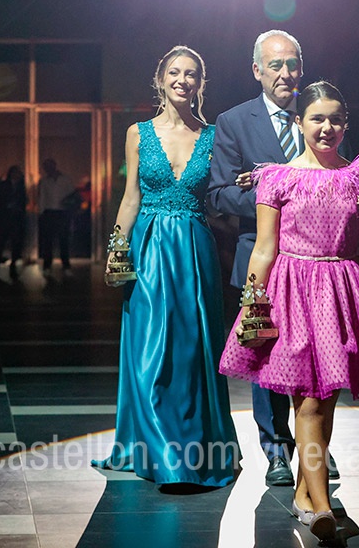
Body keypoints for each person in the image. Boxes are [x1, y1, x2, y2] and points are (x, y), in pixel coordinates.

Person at [219, 81, 359, 542]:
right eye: (317, 118)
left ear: (346, 124)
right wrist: (252, 304)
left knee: (327, 401)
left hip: (343, 293)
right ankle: (321, 506)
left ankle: (305, 493)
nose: (327, 127)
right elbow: (264, 248)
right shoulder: (277, 177)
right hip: (292, 293)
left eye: (335, 119)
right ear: (299, 122)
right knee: (308, 400)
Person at [92, 46, 238, 488]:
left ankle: (193, 447)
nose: (182, 80)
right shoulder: (138, 133)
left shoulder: (214, 136)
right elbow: (130, 198)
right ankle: (161, 452)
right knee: (149, 349)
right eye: (174, 72)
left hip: (194, 249)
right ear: (160, 79)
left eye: (191, 74)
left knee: (192, 351)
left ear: (200, 83)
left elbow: (221, 198)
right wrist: (117, 248)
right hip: (149, 248)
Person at [208, 30, 337, 487]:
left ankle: (315, 446)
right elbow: (219, 194)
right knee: (266, 358)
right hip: (260, 257)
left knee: (315, 358)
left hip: (315, 262)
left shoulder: (318, 114)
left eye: (291, 64)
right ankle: (277, 449)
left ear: (301, 68)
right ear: (257, 71)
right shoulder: (233, 121)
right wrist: (273, 195)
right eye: (275, 65)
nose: (285, 73)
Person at [37, 158, 75, 274]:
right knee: (49, 241)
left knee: (63, 240)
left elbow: (72, 194)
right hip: (49, 212)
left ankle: (65, 265)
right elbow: (42, 197)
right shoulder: (44, 181)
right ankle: (48, 265)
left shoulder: (65, 179)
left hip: (62, 212)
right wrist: (41, 213)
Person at [0, 165, 28, 279]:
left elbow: (24, 201)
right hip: (5, 218)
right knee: (0, 243)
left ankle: (13, 266)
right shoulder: (4, 185)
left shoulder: (21, 187)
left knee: (16, 243)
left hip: (16, 219)